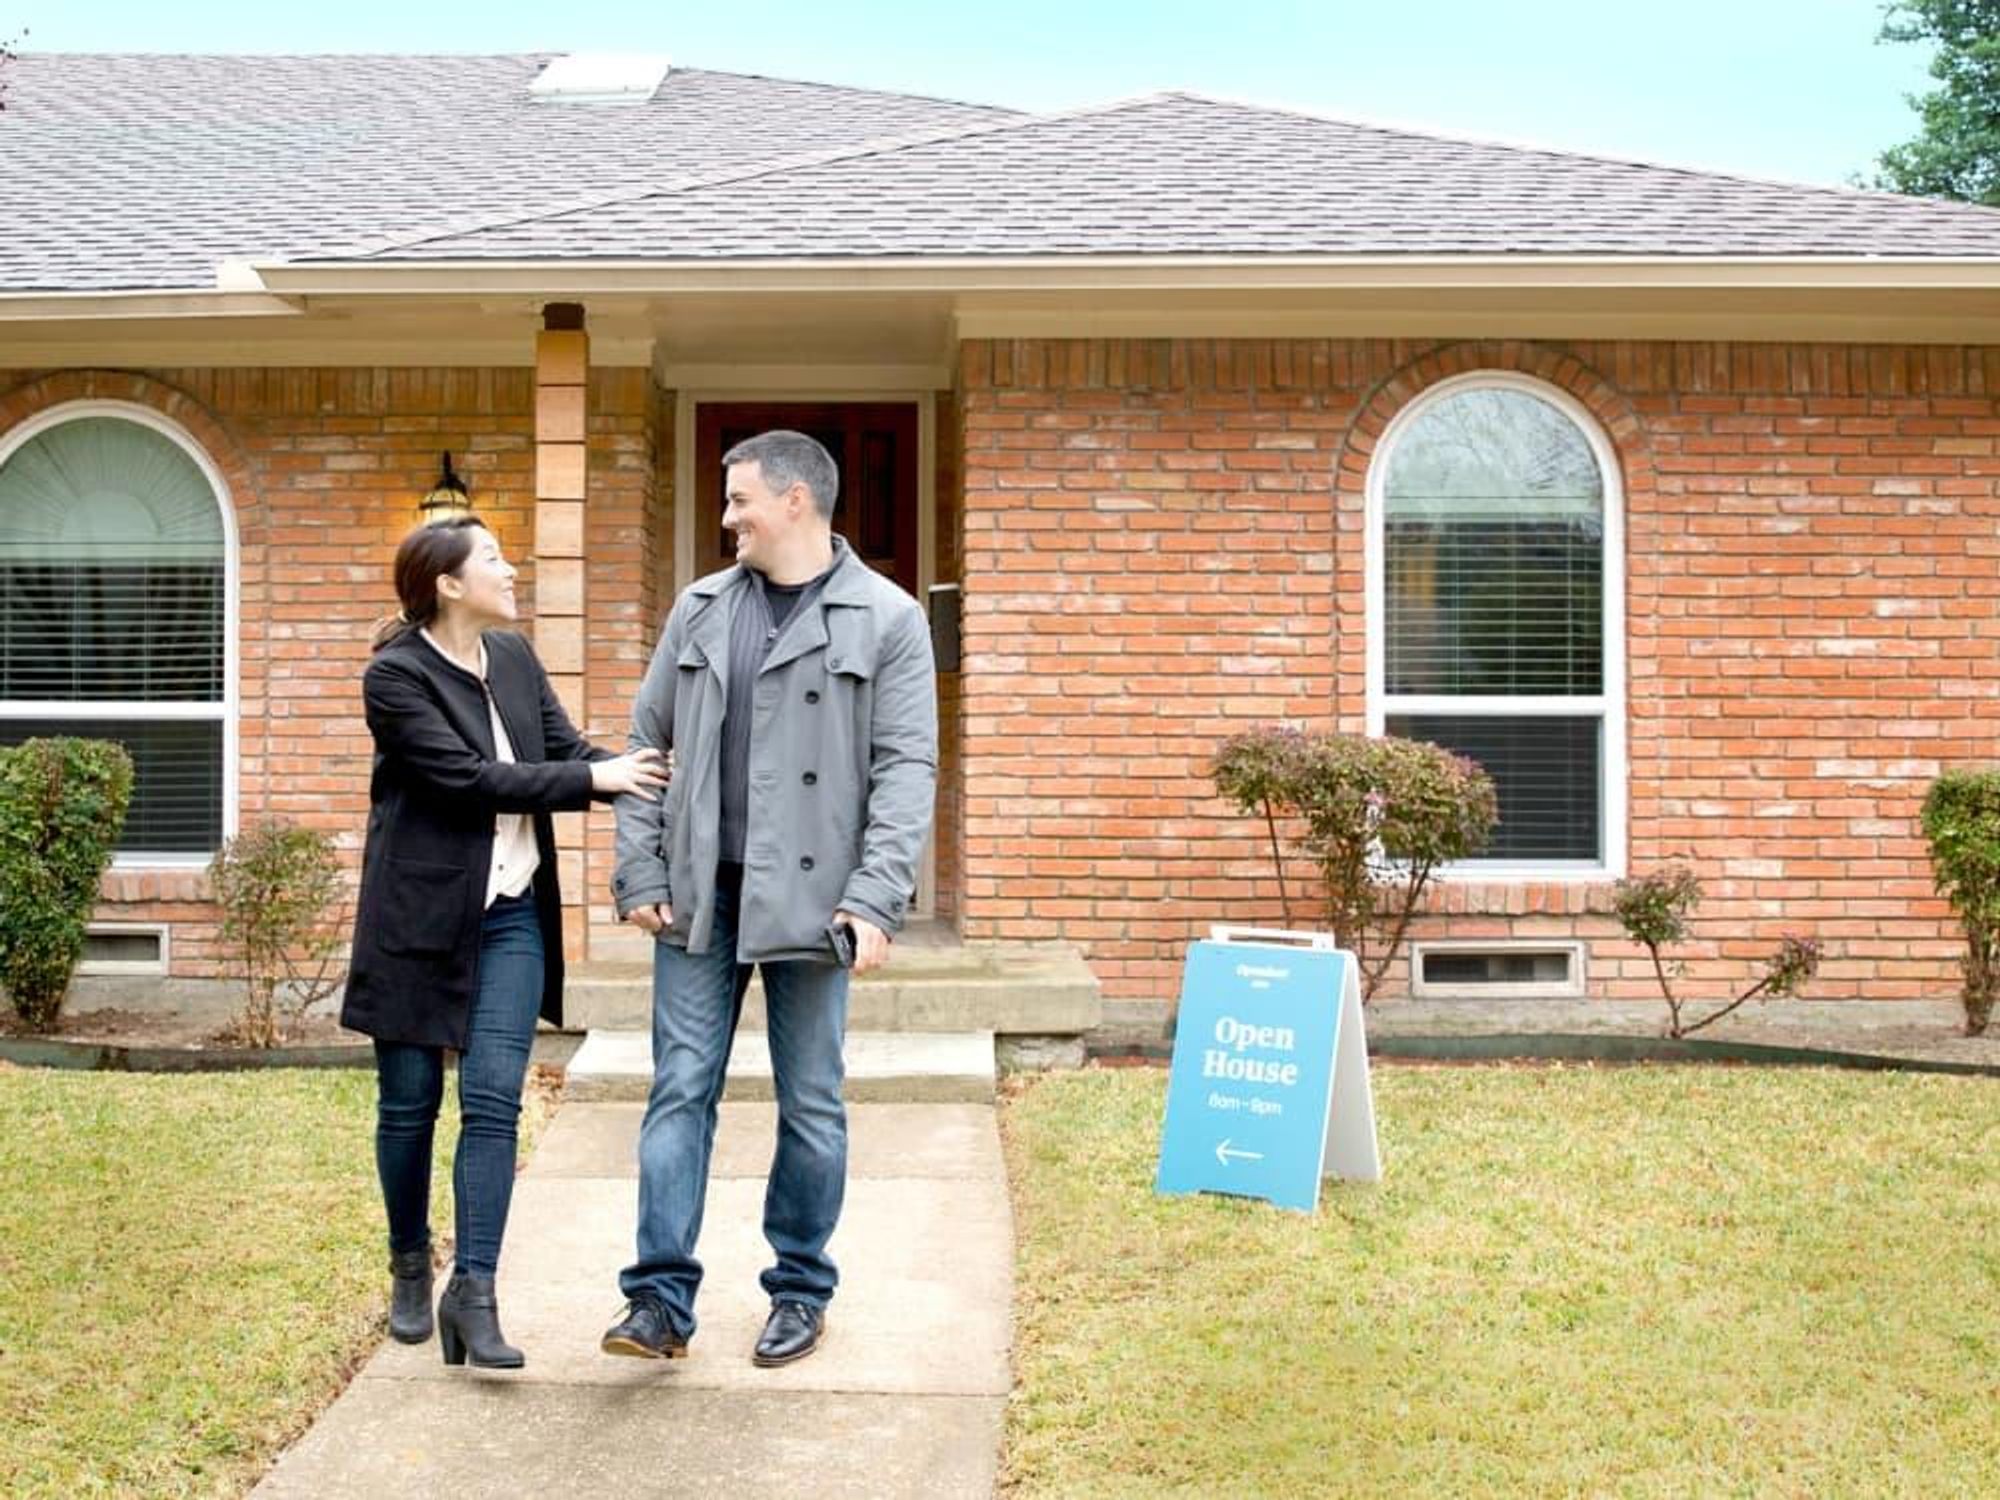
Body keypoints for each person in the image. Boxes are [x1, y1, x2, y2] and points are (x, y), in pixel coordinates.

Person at [602, 429, 937, 1367]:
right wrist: (640, 872)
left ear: (795, 501)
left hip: (816, 906)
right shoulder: (700, 610)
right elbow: (646, 749)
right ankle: (659, 1301)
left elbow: (907, 769)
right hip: (698, 900)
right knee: (678, 1090)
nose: (727, 516)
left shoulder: (889, 618)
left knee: (813, 1102)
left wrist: (875, 899)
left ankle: (799, 1288)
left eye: (739, 498)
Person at [343, 514, 667, 1369]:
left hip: (513, 913)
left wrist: (649, 774)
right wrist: (595, 777)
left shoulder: (515, 658)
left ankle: (474, 1291)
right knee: (410, 1107)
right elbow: (468, 781)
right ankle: (411, 1263)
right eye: (492, 558)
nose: (511, 568)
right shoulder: (395, 678)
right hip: (418, 921)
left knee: (495, 1101)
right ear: (448, 582)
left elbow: (562, 751)